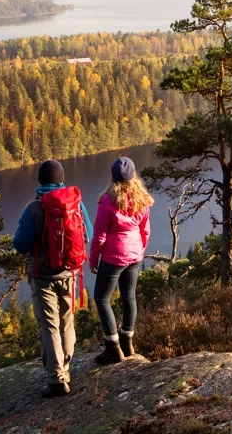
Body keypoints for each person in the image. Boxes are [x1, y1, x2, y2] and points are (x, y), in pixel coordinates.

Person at [12, 159, 93, 398]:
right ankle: (64, 368)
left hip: (42, 275)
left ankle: (56, 379)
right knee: (66, 322)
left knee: (49, 326)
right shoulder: (76, 204)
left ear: (40, 180)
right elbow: (87, 233)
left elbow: (20, 244)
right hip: (69, 273)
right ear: (61, 178)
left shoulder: (33, 208)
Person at [89, 156, 153, 365]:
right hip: (134, 254)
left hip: (114, 256)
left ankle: (113, 347)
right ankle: (127, 341)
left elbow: (99, 234)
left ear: (113, 176)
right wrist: (139, 250)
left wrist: (93, 258)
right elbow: (145, 230)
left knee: (101, 298)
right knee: (129, 296)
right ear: (134, 175)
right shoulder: (142, 198)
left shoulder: (107, 200)